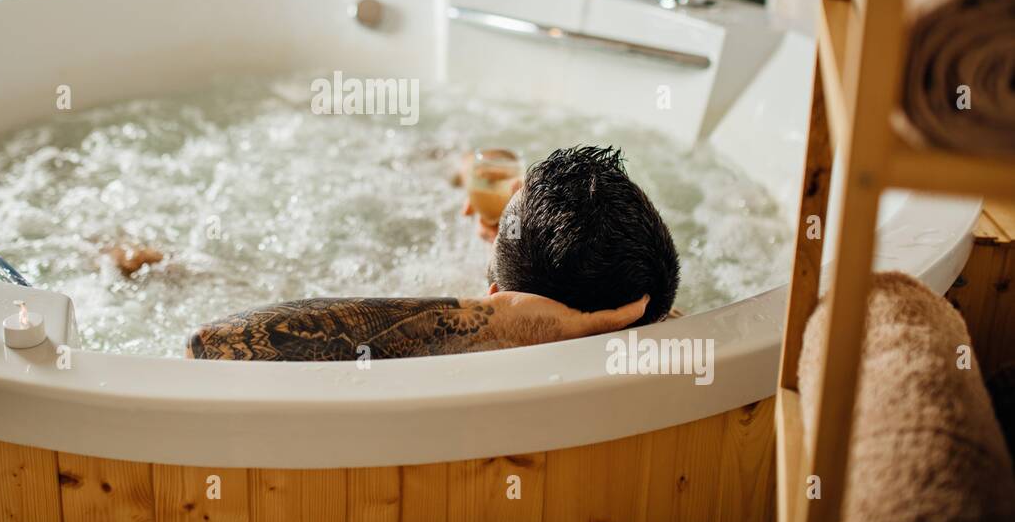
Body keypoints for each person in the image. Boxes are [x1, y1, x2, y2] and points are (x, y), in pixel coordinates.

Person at [187, 145, 679, 361]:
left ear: (495, 299)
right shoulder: (665, 327)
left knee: (176, 269)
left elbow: (210, 343)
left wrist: (501, 323)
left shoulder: (466, 362)